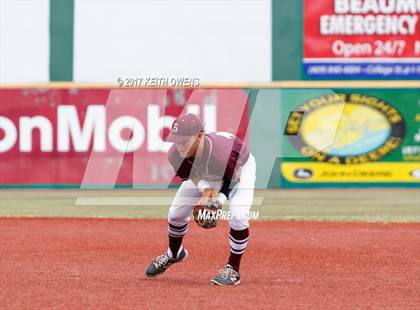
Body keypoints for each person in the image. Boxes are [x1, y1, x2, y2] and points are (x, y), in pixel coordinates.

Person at [145, 113, 256, 285]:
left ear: (199, 135)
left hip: (240, 169)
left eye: (184, 140)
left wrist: (217, 200)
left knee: (238, 216)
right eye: (176, 140)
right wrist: (205, 189)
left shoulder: (222, 153)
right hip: (204, 172)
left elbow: (232, 181)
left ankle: (233, 269)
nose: (179, 145)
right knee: (175, 214)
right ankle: (174, 254)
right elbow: (191, 175)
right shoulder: (175, 154)